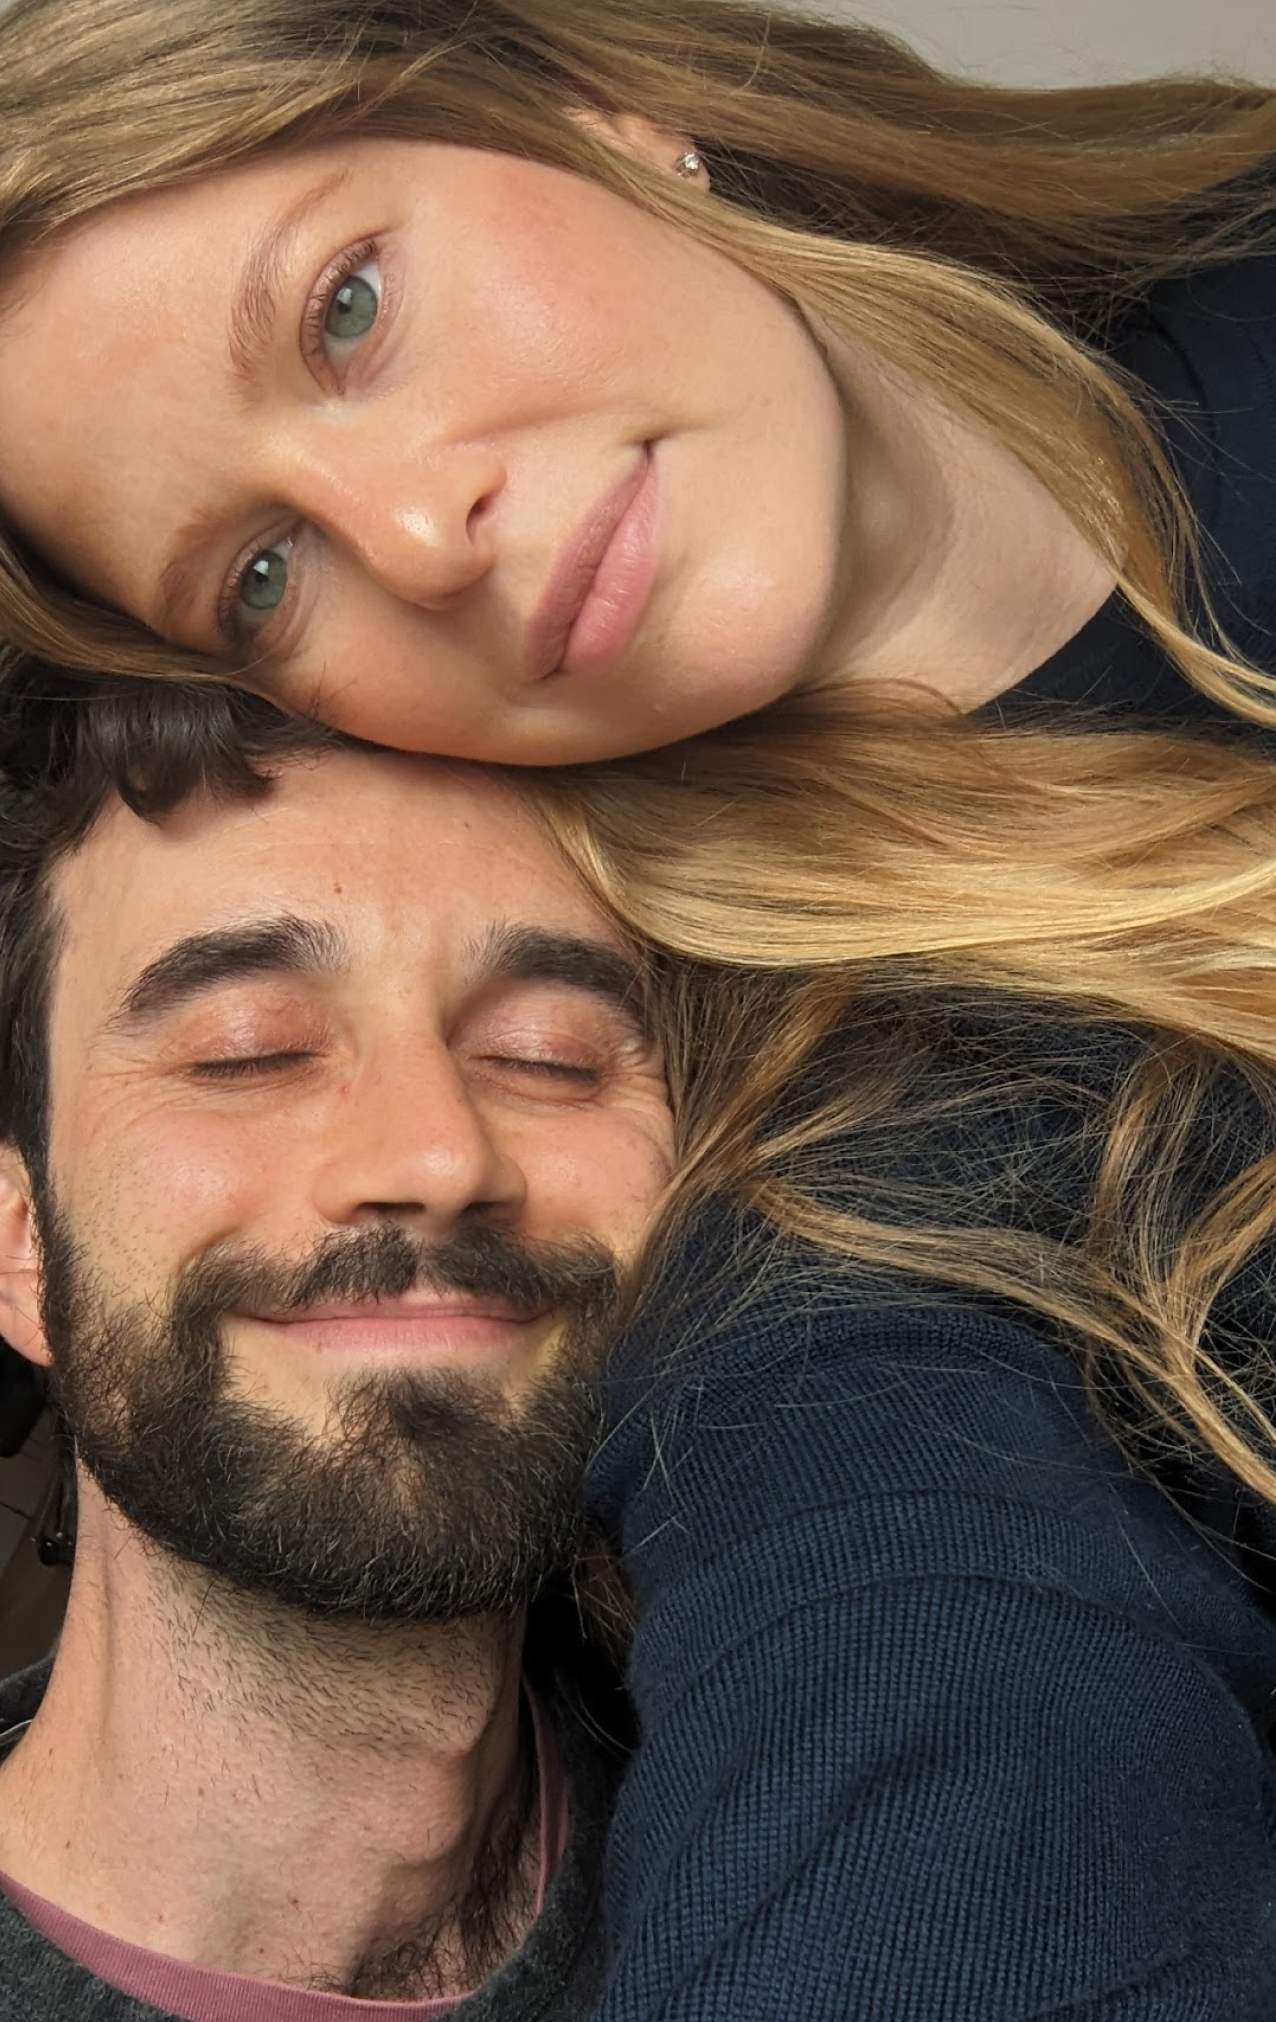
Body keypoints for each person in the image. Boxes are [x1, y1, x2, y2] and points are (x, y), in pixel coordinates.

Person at [1, 0, 1276, 2013]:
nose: (417, 537)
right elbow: (912, 1666)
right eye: (258, 575)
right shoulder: (868, 1199)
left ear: (601, 113)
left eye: (345, 308)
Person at [0, 674, 673, 2020]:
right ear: (22, 1245)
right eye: (247, 1052)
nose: (435, 1153)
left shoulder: (838, 1835)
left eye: (551, 1054)